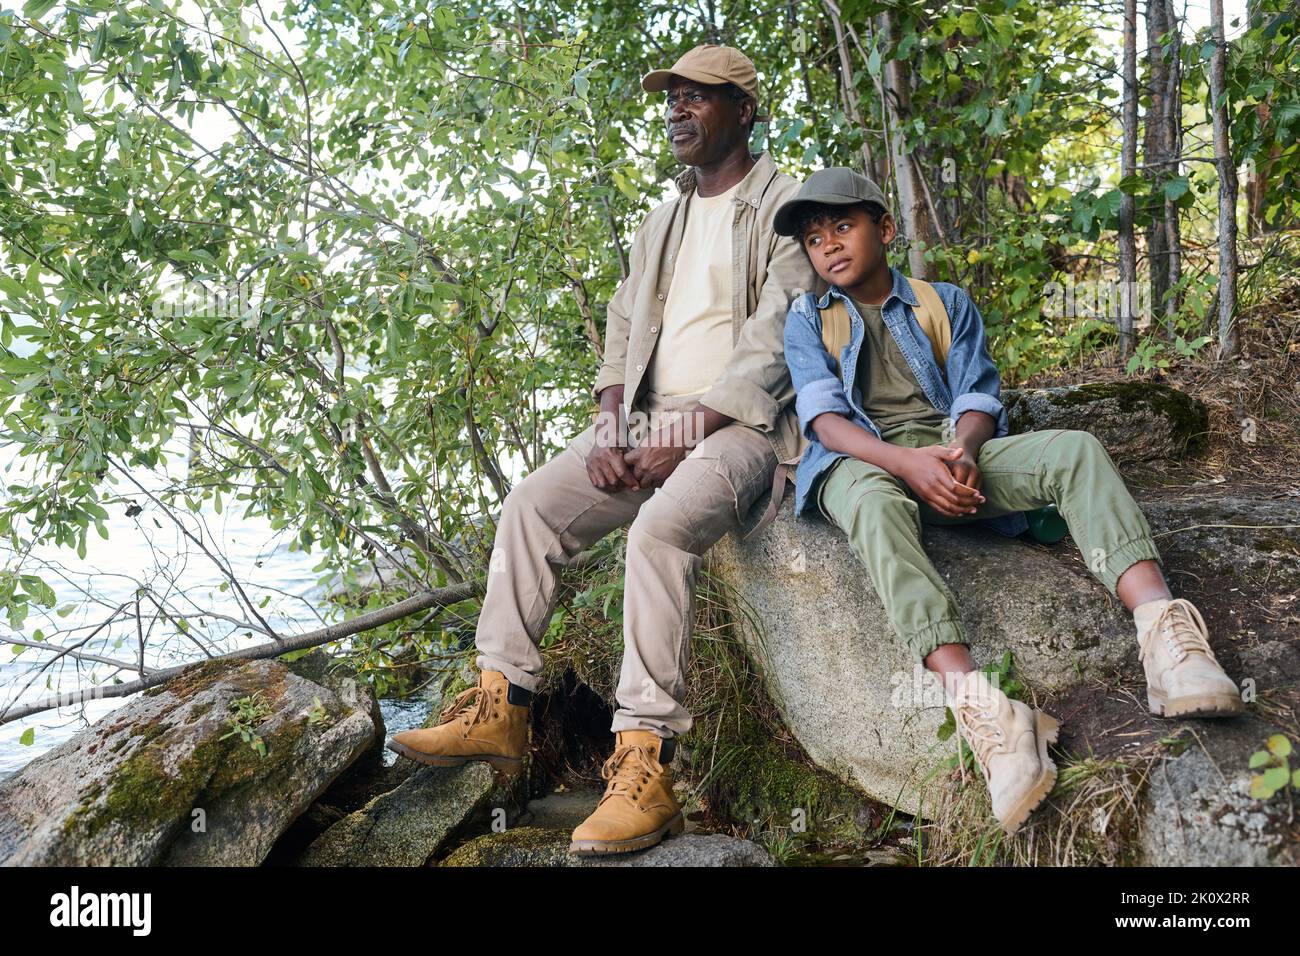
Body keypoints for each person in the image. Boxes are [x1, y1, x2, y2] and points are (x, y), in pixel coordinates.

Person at [387, 44, 819, 855]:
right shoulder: (665, 218)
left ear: (746, 111)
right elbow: (624, 327)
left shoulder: (787, 209)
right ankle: (500, 703)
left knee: (658, 532)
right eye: (673, 98)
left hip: (746, 427)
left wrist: (683, 436)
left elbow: (778, 343)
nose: (677, 110)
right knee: (531, 504)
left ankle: (647, 763)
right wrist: (616, 421)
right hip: (649, 416)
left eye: (698, 98)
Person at [777, 167, 1243, 835]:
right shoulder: (806, 319)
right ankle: (987, 714)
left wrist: (963, 453)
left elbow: (976, 397)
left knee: (1074, 450)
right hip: (865, 462)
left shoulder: (942, 302)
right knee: (874, 508)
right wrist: (907, 464)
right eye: (814, 239)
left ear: (884, 228)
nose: (828, 245)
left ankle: (1167, 642)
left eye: (842, 227)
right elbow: (825, 421)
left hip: (945, 449)